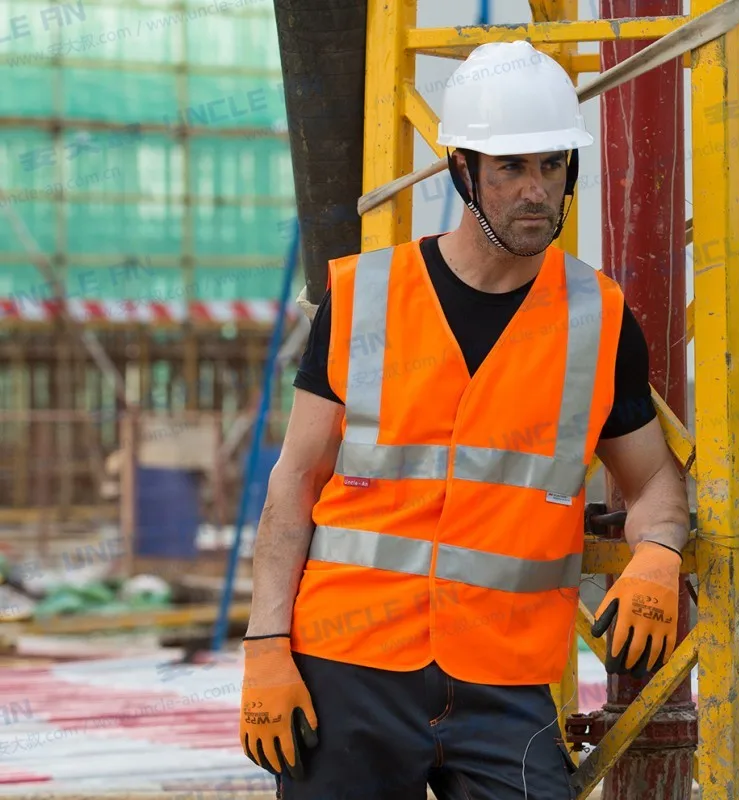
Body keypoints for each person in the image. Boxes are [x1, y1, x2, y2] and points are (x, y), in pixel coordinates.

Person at [239, 40, 691, 800]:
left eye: (552, 165)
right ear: (462, 171)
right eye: (510, 167)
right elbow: (296, 482)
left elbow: (653, 484)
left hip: (505, 681)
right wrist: (265, 644)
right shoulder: (364, 297)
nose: (535, 191)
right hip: (350, 665)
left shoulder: (598, 317)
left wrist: (659, 554)